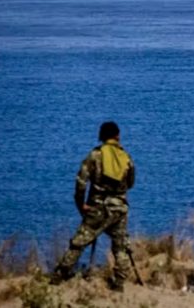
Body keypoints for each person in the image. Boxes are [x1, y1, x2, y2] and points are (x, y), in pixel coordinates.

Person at [51, 121, 136, 292]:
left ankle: (58, 277)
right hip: (120, 208)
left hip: (98, 207)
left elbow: (81, 183)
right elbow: (131, 183)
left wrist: (81, 205)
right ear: (117, 136)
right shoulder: (126, 158)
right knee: (120, 247)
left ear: (102, 136)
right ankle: (119, 284)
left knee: (79, 242)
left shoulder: (94, 155)